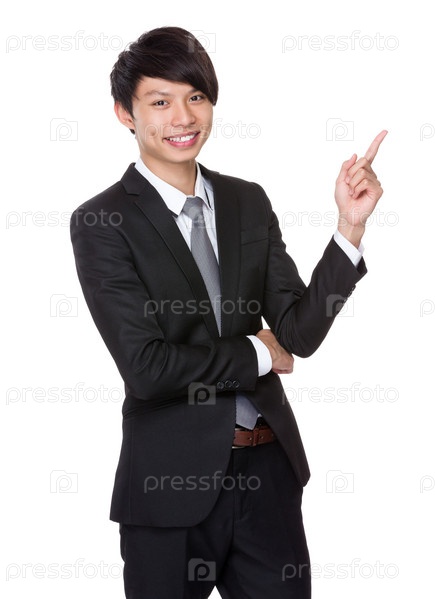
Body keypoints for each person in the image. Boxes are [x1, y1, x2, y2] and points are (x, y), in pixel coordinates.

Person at [70, 26, 386, 599]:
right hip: (168, 488)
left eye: (195, 97)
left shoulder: (247, 200)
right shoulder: (103, 221)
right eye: (160, 101)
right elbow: (147, 367)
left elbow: (298, 333)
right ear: (124, 113)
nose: (183, 117)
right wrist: (256, 353)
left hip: (269, 474)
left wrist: (349, 228)